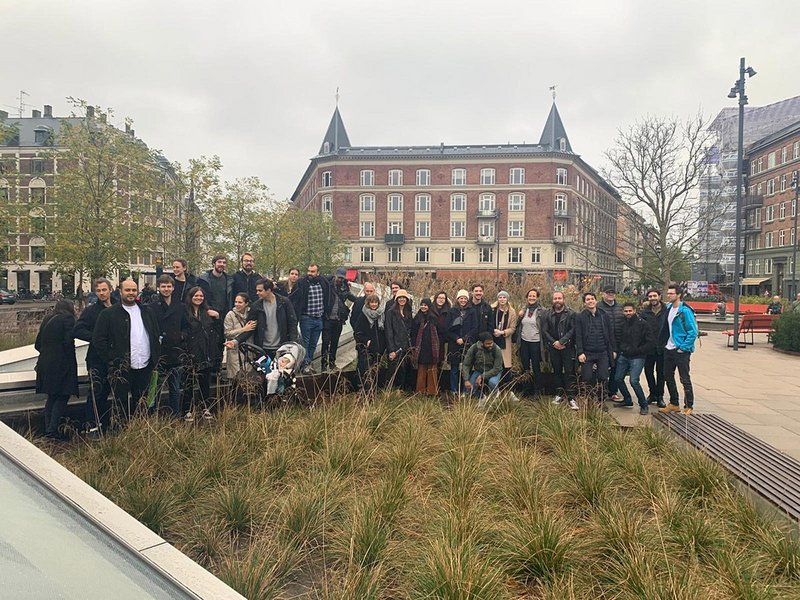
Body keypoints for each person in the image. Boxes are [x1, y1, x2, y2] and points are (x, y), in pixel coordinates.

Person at [93, 278, 161, 424]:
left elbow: (155, 334)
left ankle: (141, 430)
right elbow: (99, 340)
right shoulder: (108, 314)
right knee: (121, 403)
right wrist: (111, 360)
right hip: (121, 367)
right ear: (120, 291)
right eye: (127, 290)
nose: (131, 293)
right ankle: (123, 432)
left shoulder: (147, 311)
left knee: (143, 401)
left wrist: (155, 357)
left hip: (144, 365)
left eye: (134, 290)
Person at [73, 277, 115, 435]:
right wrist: (97, 338)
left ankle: (106, 424)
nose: (102, 293)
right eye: (98, 291)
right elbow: (78, 330)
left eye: (104, 290)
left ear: (110, 289)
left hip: (114, 357)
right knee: (96, 392)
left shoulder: (119, 307)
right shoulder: (91, 311)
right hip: (97, 358)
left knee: (111, 392)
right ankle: (92, 425)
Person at [35, 299, 78, 439]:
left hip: (45, 362)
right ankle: (52, 430)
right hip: (61, 363)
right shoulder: (68, 319)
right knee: (62, 395)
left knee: (51, 396)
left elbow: (37, 344)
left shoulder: (48, 318)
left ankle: (48, 429)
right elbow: (68, 342)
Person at [150, 274, 190, 418]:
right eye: (163, 286)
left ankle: (175, 414)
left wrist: (181, 336)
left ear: (173, 288)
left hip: (175, 351)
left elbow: (187, 326)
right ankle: (152, 414)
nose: (166, 289)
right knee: (155, 387)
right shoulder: (152, 307)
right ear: (158, 288)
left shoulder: (180, 306)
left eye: (168, 286)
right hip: (159, 352)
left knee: (175, 387)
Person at [232, 278, 298, 360]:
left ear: (269, 290)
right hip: (262, 349)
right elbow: (250, 327)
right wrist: (236, 341)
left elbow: (292, 323)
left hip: (282, 347)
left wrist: (293, 344)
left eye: (260, 291)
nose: (257, 293)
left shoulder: (284, 302)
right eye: (257, 290)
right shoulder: (256, 306)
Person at [659, 284, 698, 415]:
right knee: (667, 376)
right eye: (668, 293)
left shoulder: (685, 311)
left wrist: (683, 347)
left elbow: (693, 332)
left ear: (678, 295)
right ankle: (674, 403)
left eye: (671, 293)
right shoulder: (669, 308)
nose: (668, 295)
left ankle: (689, 405)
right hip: (669, 348)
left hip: (680, 349)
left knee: (684, 378)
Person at [184, 286, 222, 421]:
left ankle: (205, 407)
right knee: (188, 382)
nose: (198, 298)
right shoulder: (185, 312)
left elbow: (217, 332)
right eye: (196, 295)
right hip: (190, 351)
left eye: (201, 296)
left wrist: (217, 317)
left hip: (205, 351)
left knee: (204, 382)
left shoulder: (207, 312)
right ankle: (187, 409)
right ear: (191, 296)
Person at [575, 292, 616, 406]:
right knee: (587, 378)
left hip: (602, 352)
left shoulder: (604, 315)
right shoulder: (580, 317)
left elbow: (610, 333)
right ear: (584, 302)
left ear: (596, 300)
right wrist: (580, 352)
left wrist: (613, 350)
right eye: (587, 299)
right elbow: (578, 335)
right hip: (587, 353)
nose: (590, 301)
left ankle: (601, 401)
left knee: (603, 377)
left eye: (592, 299)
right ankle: (589, 401)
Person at [614, 302, 655, 415]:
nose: (628, 313)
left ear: (634, 311)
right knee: (617, 378)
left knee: (634, 381)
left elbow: (650, 342)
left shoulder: (643, 324)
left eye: (630, 311)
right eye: (626, 311)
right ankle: (627, 399)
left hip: (638, 356)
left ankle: (643, 405)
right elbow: (620, 338)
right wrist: (621, 349)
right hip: (624, 355)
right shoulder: (623, 323)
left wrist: (638, 350)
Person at [293, 264, 332, 373]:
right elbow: (295, 296)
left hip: (319, 318)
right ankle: (305, 365)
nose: (310, 273)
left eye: (313, 271)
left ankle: (308, 362)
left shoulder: (323, 282)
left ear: (318, 273)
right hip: (306, 317)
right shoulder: (302, 283)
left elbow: (328, 293)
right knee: (305, 342)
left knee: (313, 343)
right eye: (309, 271)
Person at [543, 291, 578, 410]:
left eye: (559, 298)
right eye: (555, 298)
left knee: (569, 372)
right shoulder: (548, 314)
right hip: (554, 347)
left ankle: (571, 397)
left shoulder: (571, 313)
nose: (557, 300)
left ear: (563, 299)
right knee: (556, 371)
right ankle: (558, 394)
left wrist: (562, 342)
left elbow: (573, 330)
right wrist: (554, 342)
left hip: (567, 347)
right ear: (552, 300)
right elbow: (545, 330)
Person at [321, 267, 357, 371]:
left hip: (338, 319)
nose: (340, 279)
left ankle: (332, 363)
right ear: (335, 275)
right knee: (325, 342)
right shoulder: (327, 284)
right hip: (328, 318)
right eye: (339, 277)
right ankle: (324, 364)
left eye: (342, 278)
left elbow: (351, 297)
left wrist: (363, 300)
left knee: (335, 342)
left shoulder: (345, 287)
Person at [445, 289, 478, 392]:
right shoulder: (452, 311)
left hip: (467, 343)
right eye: (461, 298)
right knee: (454, 368)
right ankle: (454, 390)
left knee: (466, 367)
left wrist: (464, 339)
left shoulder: (472, 311)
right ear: (457, 299)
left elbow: (475, 328)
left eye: (465, 298)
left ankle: (465, 390)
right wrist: (456, 338)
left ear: (467, 300)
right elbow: (447, 328)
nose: (463, 300)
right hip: (454, 343)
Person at [640, 289, 668, 408]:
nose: (652, 298)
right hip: (649, 347)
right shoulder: (644, 313)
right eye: (650, 296)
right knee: (648, 371)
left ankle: (660, 396)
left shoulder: (667, 311)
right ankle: (652, 393)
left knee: (661, 373)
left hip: (663, 347)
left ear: (659, 297)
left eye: (654, 296)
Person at [596, 287, 625, 400]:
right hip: (604, 342)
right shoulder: (598, 307)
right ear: (603, 294)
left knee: (616, 368)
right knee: (602, 369)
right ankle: (601, 391)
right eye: (608, 293)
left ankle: (613, 391)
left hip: (619, 342)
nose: (610, 295)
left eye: (612, 292)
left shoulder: (620, 307)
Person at [353, 293, 385, 391]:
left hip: (379, 347)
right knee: (364, 368)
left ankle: (374, 388)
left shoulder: (381, 315)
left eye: (375, 302)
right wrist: (366, 341)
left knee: (376, 368)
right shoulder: (363, 315)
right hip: (366, 348)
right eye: (372, 302)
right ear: (368, 303)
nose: (374, 305)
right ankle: (362, 387)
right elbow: (357, 332)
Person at [517, 288, 546, 396]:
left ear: (537, 297)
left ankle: (538, 390)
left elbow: (544, 327)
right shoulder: (524, 310)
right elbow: (518, 325)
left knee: (536, 367)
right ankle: (526, 389)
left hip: (536, 342)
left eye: (534, 296)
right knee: (525, 367)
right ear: (527, 297)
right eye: (530, 296)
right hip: (524, 342)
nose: (532, 298)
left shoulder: (542, 311)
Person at [384, 288, 414, 390]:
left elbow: (410, 329)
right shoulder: (390, 312)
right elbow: (388, 331)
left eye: (404, 298)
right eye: (400, 298)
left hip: (405, 346)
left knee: (403, 369)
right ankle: (388, 390)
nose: (402, 299)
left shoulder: (408, 312)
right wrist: (391, 349)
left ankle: (401, 390)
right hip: (395, 346)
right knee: (392, 370)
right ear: (396, 299)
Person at [223, 292, 255, 381]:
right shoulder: (230, 315)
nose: (237, 304)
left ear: (246, 303)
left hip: (248, 348)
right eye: (236, 302)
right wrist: (243, 329)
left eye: (240, 302)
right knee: (236, 377)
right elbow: (227, 333)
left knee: (249, 377)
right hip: (234, 350)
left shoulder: (251, 313)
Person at [462, 332, 504, 398]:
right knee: (470, 388)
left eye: (491, 343)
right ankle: (480, 396)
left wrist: (482, 376)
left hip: (493, 371)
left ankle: (495, 394)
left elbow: (497, 368)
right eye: (488, 344)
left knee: (492, 382)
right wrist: (466, 379)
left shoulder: (496, 349)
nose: (491, 345)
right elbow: (466, 364)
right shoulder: (474, 348)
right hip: (479, 370)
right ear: (481, 343)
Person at [412, 298, 441, 395]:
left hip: (432, 348)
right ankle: (420, 391)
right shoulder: (417, 318)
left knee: (432, 370)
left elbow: (439, 333)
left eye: (425, 305)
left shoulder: (434, 318)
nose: (423, 307)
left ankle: (432, 392)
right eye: (422, 305)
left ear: (429, 306)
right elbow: (413, 333)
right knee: (421, 370)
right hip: (420, 347)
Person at [491, 291, 517, 386]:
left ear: (507, 299)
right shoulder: (492, 309)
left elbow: (513, 328)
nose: (502, 299)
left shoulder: (511, 312)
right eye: (500, 297)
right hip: (493, 340)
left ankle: (507, 388)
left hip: (505, 341)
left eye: (504, 297)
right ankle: (494, 387)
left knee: (505, 365)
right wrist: (493, 331)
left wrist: (502, 332)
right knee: (493, 363)